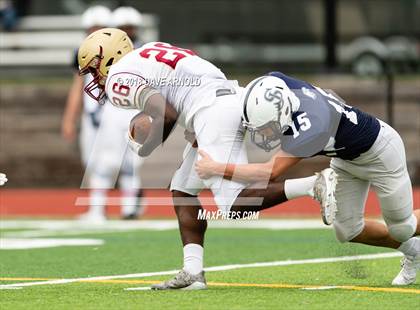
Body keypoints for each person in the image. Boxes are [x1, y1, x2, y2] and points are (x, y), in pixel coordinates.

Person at [77, 29, 337, 289]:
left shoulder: (118, 77)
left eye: (92, 69)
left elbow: (165, 113)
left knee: (233, 206)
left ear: (109, 59)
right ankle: (192, 272)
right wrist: (195, 126)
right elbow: (192, 83)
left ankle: (313, 184)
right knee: (182, 189)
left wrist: (146, 147)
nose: (93, 78)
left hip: (211, 110)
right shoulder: (149, 50)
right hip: (224, 98)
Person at [195, 71, 420, 286]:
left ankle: (409, 242)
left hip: (381, 155)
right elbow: (257, 92)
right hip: (345, 159)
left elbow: (269, 172)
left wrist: (216, 167)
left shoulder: (312, 127)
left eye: (265, 128)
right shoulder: (277, 83)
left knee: (402, 228)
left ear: (282, 112)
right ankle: (415, 251)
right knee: (348, 231)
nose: (263, 134)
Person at [61, 7, 144, 222]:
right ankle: (106, 209)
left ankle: (128, 207)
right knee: (97, 162)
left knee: (123, 163)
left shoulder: (131, 52)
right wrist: (70, 118)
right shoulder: (85, 51)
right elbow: (79, 85)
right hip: (99, 114)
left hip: (122, 112)